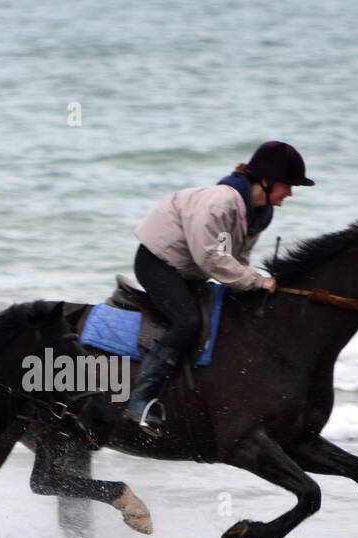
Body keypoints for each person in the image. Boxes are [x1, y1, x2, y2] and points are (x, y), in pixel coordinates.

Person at [123, 140, 314, 435]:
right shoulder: (220, 203)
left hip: (190, 268)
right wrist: (255, 280)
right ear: (267, 181)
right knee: (188, 322)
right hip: (157, 262)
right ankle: (139, 401)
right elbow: (212, 257)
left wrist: (254, 284)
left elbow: (237, 258)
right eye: (288, 185)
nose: (290, 192)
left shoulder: (260, 212)